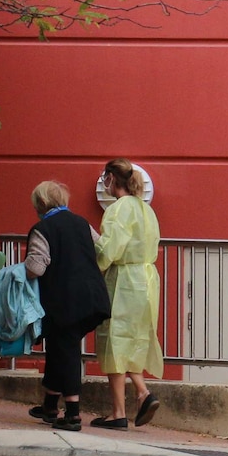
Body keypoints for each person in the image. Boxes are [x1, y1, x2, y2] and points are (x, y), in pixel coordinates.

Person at [24, 180, 111, 431]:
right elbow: (99, 248)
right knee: (59, 346)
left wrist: (17, 272)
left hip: (65, 300)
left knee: (68, 349)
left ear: (40, 203)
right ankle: (50, 405)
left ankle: (72, 413)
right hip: (93, 297)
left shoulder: (43, 228)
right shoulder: (82, 223)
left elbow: (36, 267)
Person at [92, 158, 164, 430]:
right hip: (146, 279)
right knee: (135, 338)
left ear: (112, 178)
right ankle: (142, 393)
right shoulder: (146, 210)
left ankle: (118, 411)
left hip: (123, 280)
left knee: (115, 339)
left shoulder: (118, 209)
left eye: (105, 177)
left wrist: (94, 267)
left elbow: (110, 249)